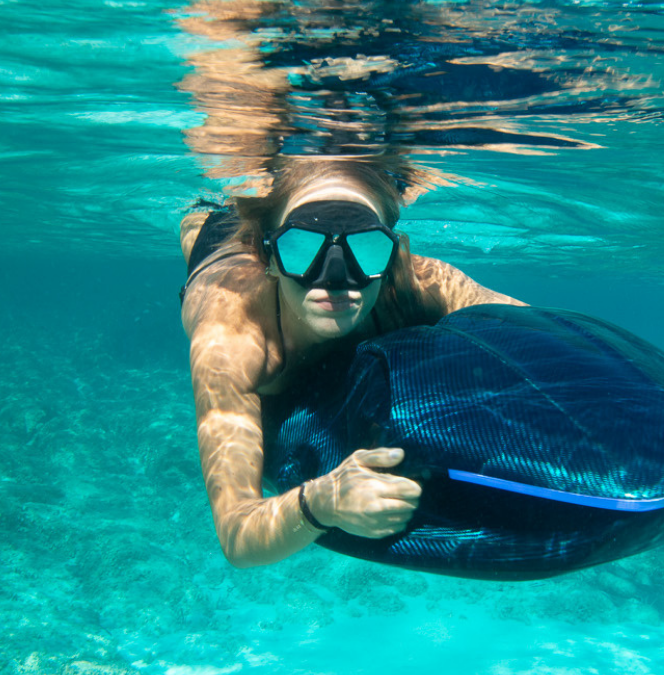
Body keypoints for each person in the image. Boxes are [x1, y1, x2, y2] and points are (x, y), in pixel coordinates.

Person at [179, 157, 526, 568]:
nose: (336, 277)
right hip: (219, 261)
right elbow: (238, 538)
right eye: (301, 247)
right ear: (270, 257)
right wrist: (322, 502)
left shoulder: (414, 280)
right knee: (207, 222)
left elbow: (535, 327)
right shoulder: (230, 341)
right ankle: (219, 222)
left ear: (392, 252)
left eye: (365, 246)